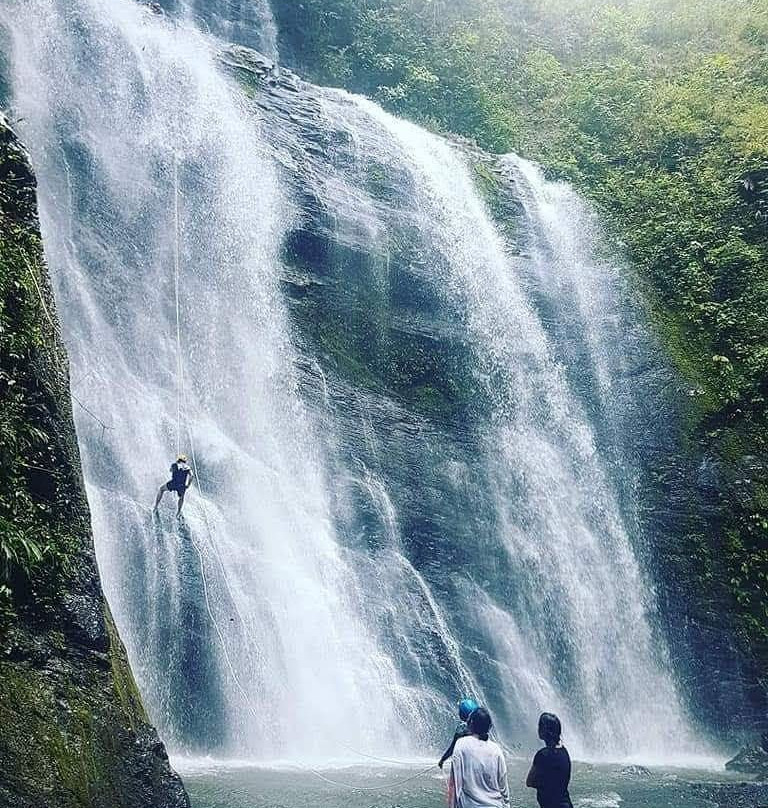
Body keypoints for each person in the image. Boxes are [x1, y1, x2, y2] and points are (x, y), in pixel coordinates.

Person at [450, 707, 509, 808]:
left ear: (471, 723)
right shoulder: (496, 749)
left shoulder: (461, 744)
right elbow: (503, 784)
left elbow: (454, 784)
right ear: (489, 727)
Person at [526, 713, 573, 808]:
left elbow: (530, 782)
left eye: (540, 726)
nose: (538, 728)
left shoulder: (543, 755)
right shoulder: (564, 751)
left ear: (546, 731)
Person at [439, 698, 479, 769]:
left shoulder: (461, 730)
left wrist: (442, 759)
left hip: (464, 765)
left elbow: (452, 748)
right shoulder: (480, 728)